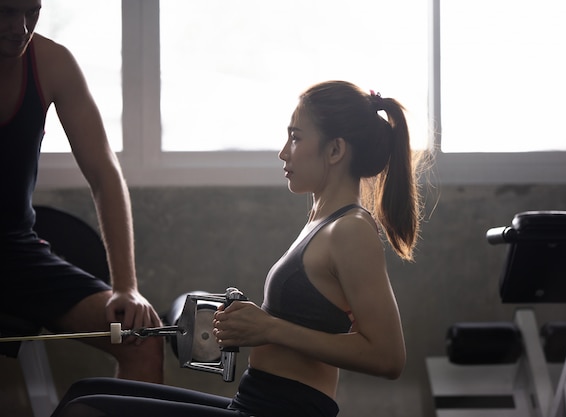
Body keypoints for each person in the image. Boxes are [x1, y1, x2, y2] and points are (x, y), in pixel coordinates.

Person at [50, 80, 429, 417]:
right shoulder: (321, 222)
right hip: (253, 399)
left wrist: (270, 328)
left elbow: (388, 357)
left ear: (335, 151)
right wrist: (241, 324)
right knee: (85, 391)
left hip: (283, 409)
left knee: (86, 409)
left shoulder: (350, 230)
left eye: (296, 138)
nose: (284, 152)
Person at [0, 0, 163, 383]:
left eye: (31, 11)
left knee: (140, 338)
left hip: (16, 252)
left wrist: (126, 287)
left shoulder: (51, 63)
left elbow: (105, 175)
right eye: (6, 11)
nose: (20, 27)